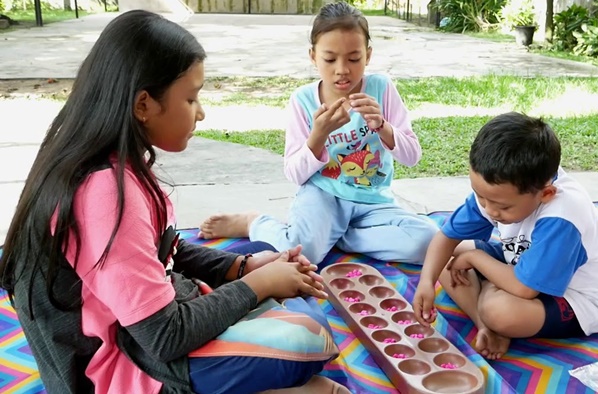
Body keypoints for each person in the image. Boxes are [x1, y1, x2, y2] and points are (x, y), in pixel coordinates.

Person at [0, 10, 348, 394]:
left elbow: (163, 252)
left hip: (144, 333)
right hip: (122, 370)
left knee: (281, 275)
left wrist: (243, 266)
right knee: (310, 336)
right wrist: (258, 284)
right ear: (143, 105)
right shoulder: (105, 194)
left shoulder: (114, 161)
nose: (201, 112)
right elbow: (164, 335)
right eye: (191, 98)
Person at [197, 1, 438, 265]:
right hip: (323, 195)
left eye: (354, 58)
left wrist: (383, 126)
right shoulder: (303, 101)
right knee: (303, 254)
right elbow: (295, 173)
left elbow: (413, 156)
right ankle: (254, 222)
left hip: (373, 201)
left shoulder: (381, 88)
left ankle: (337, 236)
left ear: (368, 55)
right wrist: (318, 136)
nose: (342, 69)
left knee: (428, 242)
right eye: (330, 59)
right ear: (313, 56)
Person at [412, 112, 598, 360]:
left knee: (500, 310)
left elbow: (523, 289)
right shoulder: (500, 189)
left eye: (502, 207)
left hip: (577, 298)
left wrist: (474, 258)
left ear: (545, 194)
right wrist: (426, 282)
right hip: (523, 266)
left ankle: (494, 317)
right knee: (446, 259)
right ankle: (486, 326)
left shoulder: (562, 216)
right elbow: (446, 238)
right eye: (480, 196)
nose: (489, 209)